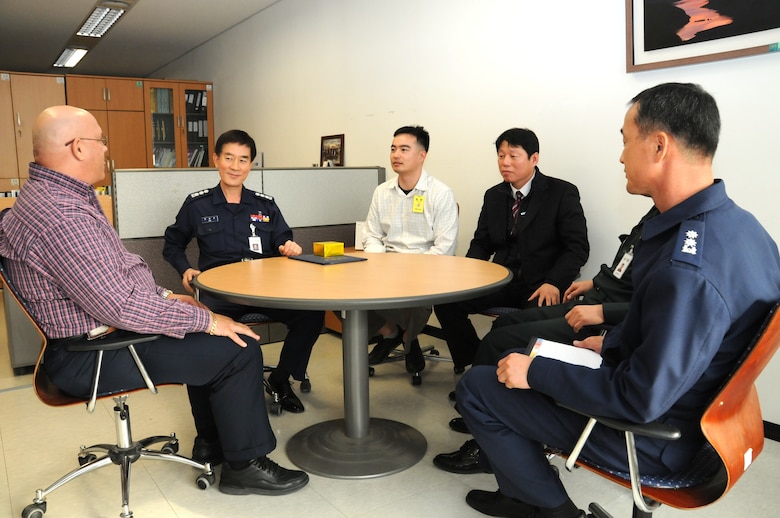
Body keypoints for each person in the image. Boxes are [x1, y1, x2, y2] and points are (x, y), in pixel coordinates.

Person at [455, 83, 780, 518]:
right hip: (697, 414)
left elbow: (636, 399)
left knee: (478, 385)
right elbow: (683, 336)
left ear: (659, 145)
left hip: (654, 435)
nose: (622, 156)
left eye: (626, 142)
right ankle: (524, 486)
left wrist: (537, 372)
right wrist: (608, 343)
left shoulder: (686, 270)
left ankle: (549, 508)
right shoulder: (744, 229)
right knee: (515, 351)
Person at [0, 106, 309, 496]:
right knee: (237, 345)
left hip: (99, 335)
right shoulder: (62, 213)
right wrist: (209, 322)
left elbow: (119, 270)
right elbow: (118, 305)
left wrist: (167, 296)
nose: (107, 151)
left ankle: (215, 443)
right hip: (91, 352)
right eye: (102, 141)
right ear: (78, 148)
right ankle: (244, 466)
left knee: (209, 335)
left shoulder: (57, 197)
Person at [434, 205, 658, 473]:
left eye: (512, 157)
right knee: (504, 323)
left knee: (499, 342)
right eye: (501, 158)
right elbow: (625, 270)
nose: (622, 160)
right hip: (595, 301)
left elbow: (656, 305)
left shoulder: (676, 231)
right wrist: (596, 283)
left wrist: (602, 310)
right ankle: (482, 412)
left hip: (605, 320)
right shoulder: (654, 213)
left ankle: (484, 444)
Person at [163, 129, 324, 414]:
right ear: (216, 159)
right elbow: (172, 244)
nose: (235, 167)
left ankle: (280, 378)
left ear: (251, 164)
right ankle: (213, 401)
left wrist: (287, 246)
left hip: (264, 290)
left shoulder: (265, 204)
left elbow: (282, 238)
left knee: (311, 315)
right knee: (201, 330)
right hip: (220, 295)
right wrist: (185, 269)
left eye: (243, 160)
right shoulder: (197, 205)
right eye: (229, 158)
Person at [434, 128, 589, 373]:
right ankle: (477, 363)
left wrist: (554, 282)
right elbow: (482, 243)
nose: (505, 163)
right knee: (446, 303)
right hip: (500, 281)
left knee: (508, 326)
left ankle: (492, 371)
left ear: (534, 158)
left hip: (541, 285)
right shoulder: (494, 195)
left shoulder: (561, 193)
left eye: (513, 156)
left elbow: (577, 248)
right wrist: (466, 276)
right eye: (500, 156)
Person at [362, 125, 458, 374]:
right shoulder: (382, 192)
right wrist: (378, 263)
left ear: (421, 155)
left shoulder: (440, 194)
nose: (396, 155)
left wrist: (410, 270)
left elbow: (444, 248)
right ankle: (393, 332)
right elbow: (372, 234)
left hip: (425, 268)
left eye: (404, 149)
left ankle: (407, 338)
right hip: (386, 263)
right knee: (341, 288)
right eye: (393, 149)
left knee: (419, 295)